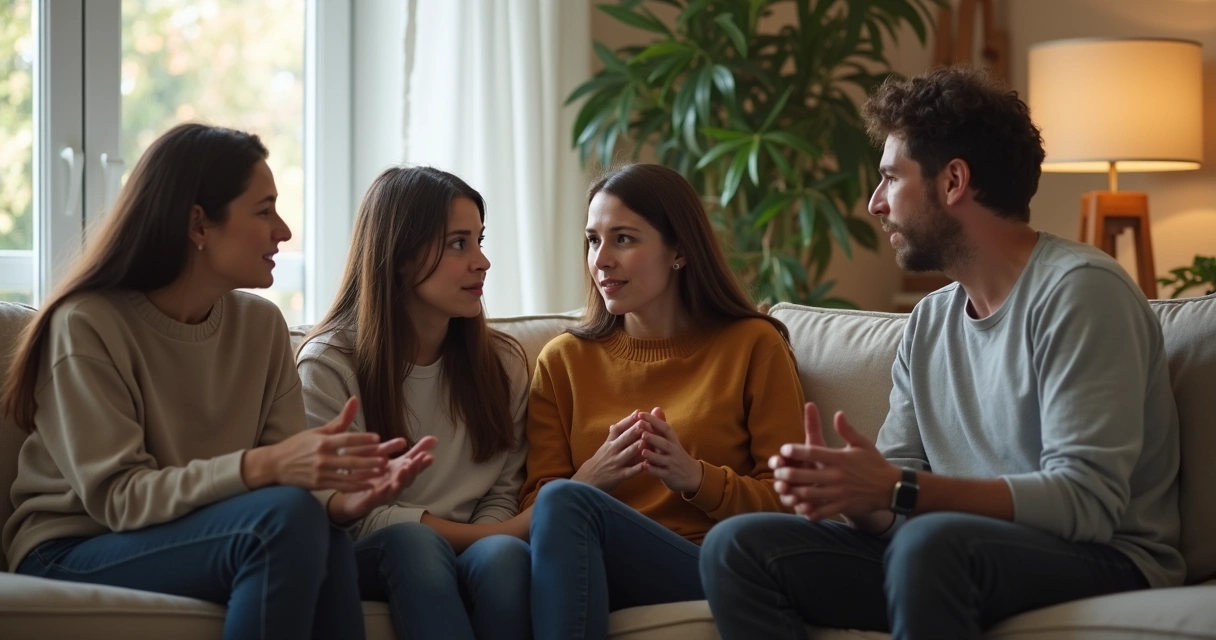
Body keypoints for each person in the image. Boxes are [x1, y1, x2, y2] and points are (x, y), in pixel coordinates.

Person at [699, 66, 1183, 640]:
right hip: (951, 554)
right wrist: (850, 491)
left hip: (1105, 558)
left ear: (953, 181)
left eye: (889, 179)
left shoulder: (1080, 290)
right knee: (738, 546)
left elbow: (1087, 502)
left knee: (930, 543)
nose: (876, 203)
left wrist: (898, 490)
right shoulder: (929, 322)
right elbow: (893, 500)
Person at [0, 123, 436, 640]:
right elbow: (119, 497)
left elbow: (294, 484)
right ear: (198, 225)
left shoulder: (261, 326)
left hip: (200, 534)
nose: (284, 231)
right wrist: (259, 467)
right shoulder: (86, 323)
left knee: (324, 534)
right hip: (72, 547)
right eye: (264, 209)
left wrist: (343, 503)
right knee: (284, 522)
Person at [523, 163, 806, 640]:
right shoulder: (563, 361)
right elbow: (538, 505)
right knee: (559, 505)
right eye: (593, 240)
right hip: (591, 564)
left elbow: (791, 506)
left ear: (679, 251)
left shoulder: (752, 346)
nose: (601, 260)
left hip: (705, 564)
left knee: (567, 501)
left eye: (624, 239)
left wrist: (695, 478)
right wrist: (592, 480)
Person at [297, 166, 531, 640]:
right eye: (458, 244)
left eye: (480, 241)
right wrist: (487, 538)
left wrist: (490, 540)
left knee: (506, 559)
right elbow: (348, 510)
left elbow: (503, 490)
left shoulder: (504, 363)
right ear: (400, 257)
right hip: (373, 551)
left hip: (476, 542)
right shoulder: (328, 365)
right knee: (415, 545)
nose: (482, 261)